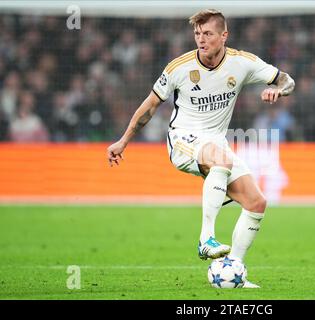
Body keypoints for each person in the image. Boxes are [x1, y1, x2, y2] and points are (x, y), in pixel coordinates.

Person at [107, 9, 295, 288]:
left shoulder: (242, 63)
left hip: (216, 144)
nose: (201, 39)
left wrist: (278, 90)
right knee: (221, 159)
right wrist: (123, 140)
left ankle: (236, 270)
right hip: (183, 139)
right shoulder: (178, 68)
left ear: (224, 35)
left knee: (257, 202)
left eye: (207, 33)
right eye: (197, 34)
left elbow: (287, 81)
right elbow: (149, 106)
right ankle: (206, 239)